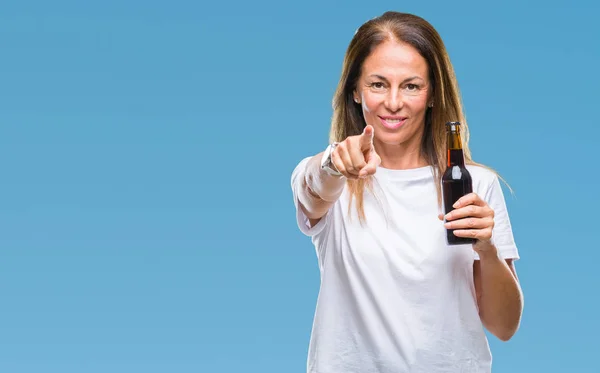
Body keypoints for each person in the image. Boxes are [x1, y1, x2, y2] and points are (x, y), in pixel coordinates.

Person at [290, 11, 524, 373]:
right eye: (378, 84)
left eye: (411, 86)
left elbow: (504, 326)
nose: (394, 102)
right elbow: (313, 190)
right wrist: (334, 163)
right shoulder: (331, 176)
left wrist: (488, 250)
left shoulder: (474, 186)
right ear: (355, 90)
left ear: (432, 95)